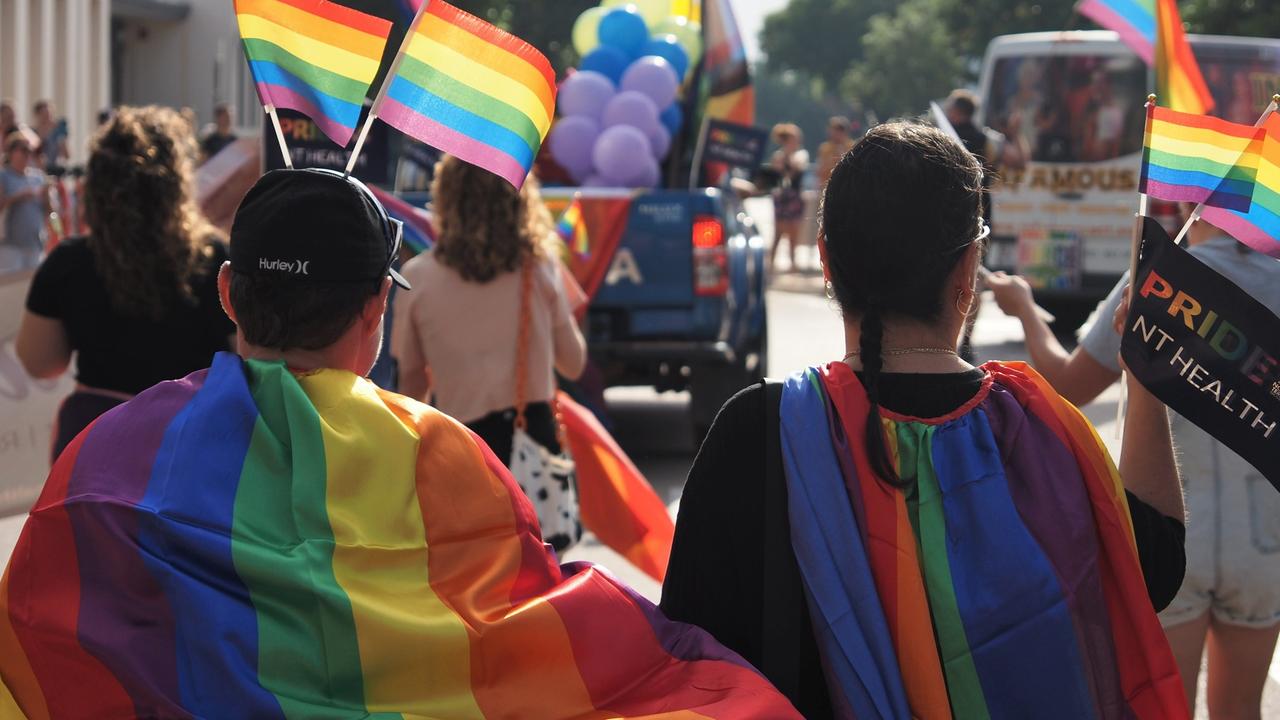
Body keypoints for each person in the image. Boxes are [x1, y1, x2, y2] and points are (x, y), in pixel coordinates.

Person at [0, 167, 799, 718]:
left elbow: (36, 638)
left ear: (227, 294)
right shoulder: (439, 456)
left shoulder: (111, 455)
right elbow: (527, 634)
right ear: (377, 307)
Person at [660, 122, 1190, 718]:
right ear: (969, 274)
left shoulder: (755, 433)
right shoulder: (1042, 430)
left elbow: (684, 661)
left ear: (826, 258)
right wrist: (1145, 372)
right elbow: (1156, 568)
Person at [988, 209, 1280, 719]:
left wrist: (1027, 311)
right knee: (1242, 709)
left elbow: (1067, 385)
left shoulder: (1158, 275)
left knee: (1165, 708)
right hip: (1265, 539)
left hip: (1172, 523)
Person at [15, 106, 235, 461]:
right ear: (178, 184)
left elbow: (41, 363)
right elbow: (246, 357)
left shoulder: (69, 263)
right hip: (187, 449)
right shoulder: (213, 259)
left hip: (95, 451)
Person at [392, 154, 586, 465]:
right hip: (534, 449)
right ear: (518, 199)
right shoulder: (539, 268)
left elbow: (412, 385)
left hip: (462, 450)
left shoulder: (417, 277)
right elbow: (573, 364)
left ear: (446, 199)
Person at [0, 132, 49, 271]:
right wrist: (18, 196)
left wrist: (48, 197)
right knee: (11, 289)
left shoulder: (38, 178)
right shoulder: (3, 176)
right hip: (9, 245)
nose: (28, 154)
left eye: (30, 151)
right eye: (23, 150)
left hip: (35, 243)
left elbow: (51, 212)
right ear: (11, 152)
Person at [768, 123, 810, 272]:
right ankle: (771, 262)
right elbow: (777, 172)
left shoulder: (801, 154)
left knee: (794, 231)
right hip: (781, 196)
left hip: (794, 196)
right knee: (778, 231)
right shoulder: (779, 155)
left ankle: (792, 263)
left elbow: (796, 168)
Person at [815, 116, 855, 190]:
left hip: (847, 188)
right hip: (827, 188)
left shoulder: (852, 147)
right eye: (834, 130)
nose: (837, 133)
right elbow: (819, 171)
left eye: (840, 130)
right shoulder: (824, 148)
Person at [31, 100, 69, 170]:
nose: (48, 118)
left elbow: (66, 155)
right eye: (44, 115)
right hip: (36, 169)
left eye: (49, 115)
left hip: (54, 169)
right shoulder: (31, 133)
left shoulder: (58, 132)